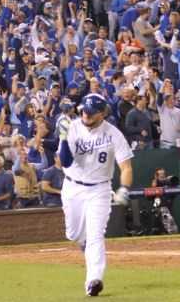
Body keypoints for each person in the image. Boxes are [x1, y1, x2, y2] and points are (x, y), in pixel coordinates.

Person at [58, 94, 134, 297]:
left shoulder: (113, 134)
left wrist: (124, 188)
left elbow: (125, 166)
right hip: (73, 187)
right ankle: (82, 244)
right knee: (74, 234)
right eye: (83, 110)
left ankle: (94, 280)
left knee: (95, 235)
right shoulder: (72, 127)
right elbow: (64, 162)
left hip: (99, 190)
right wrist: (63, 138)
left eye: (91, 112)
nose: (85, 114)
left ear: (102, 113)